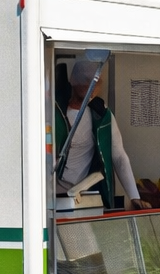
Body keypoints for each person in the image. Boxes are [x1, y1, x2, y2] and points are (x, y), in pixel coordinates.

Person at [55, 58, 145, 209]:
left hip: (85, 196)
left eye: (96, 81)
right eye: (86, 79)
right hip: (52, 197)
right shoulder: (53, 110)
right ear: (73, 80)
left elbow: (119, 156)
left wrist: (134, 196)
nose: (91, 85)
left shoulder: (101, 114)